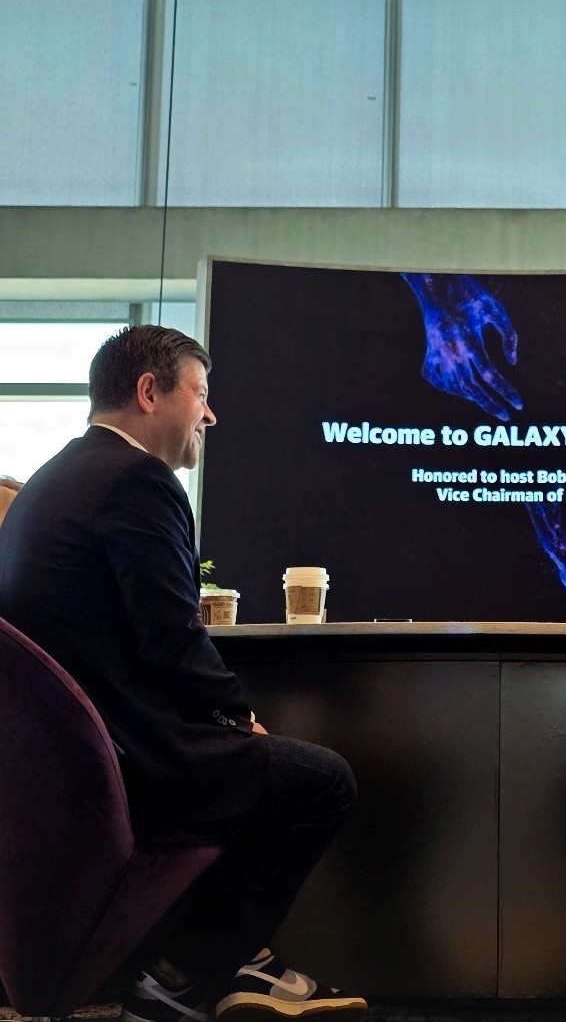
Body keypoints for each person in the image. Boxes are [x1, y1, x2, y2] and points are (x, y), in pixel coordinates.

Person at [0, 325, 366, 1022]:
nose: (210, 413)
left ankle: (241, 961)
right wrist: (238, 718)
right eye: (199, 393)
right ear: (149, 391)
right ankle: (183, 973)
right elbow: (172, 638)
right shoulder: (137, 480)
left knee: (271, 774)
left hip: (76, 762)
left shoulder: (52, 479)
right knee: (325, 781)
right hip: (139, 761)